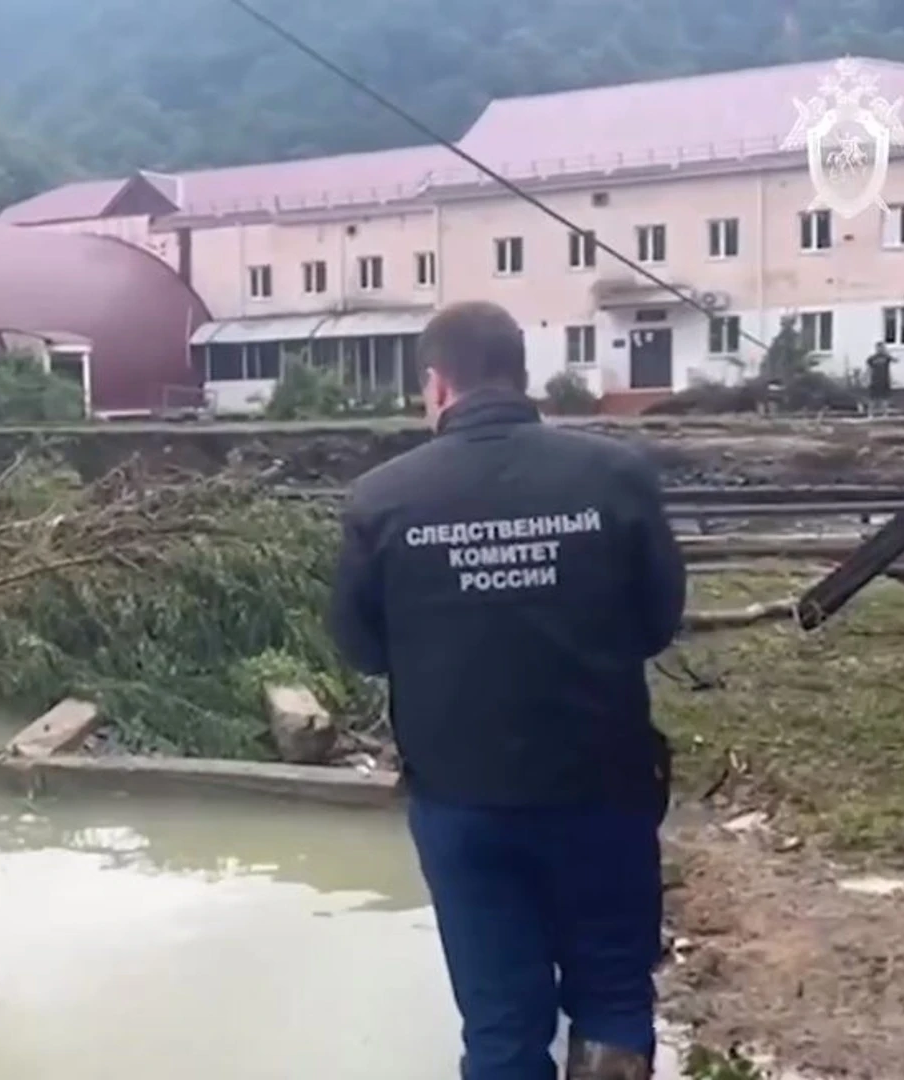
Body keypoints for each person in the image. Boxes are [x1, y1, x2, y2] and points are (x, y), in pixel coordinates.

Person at [328, 301, 686, 1080]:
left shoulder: (381, 499)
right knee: (613, 1000)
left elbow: (360, 649)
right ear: (523, 375)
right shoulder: (617, 476)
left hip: (463, 805)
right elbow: (658, 625)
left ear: (435, 383)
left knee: (500, 1025)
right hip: (605, 792)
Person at [864, 343, 894, 414]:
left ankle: (885, 414)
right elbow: (868, 369)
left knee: (885, 398)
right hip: (874, 380)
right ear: (876, 348)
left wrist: (887, 352)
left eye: (881, 348)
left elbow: (896, 360)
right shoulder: (872, 358)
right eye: (878, 348)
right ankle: (870, 414)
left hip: (884, 380)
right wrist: (867, 379)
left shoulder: (886, 357)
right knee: (872, 399)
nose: (880, 349)